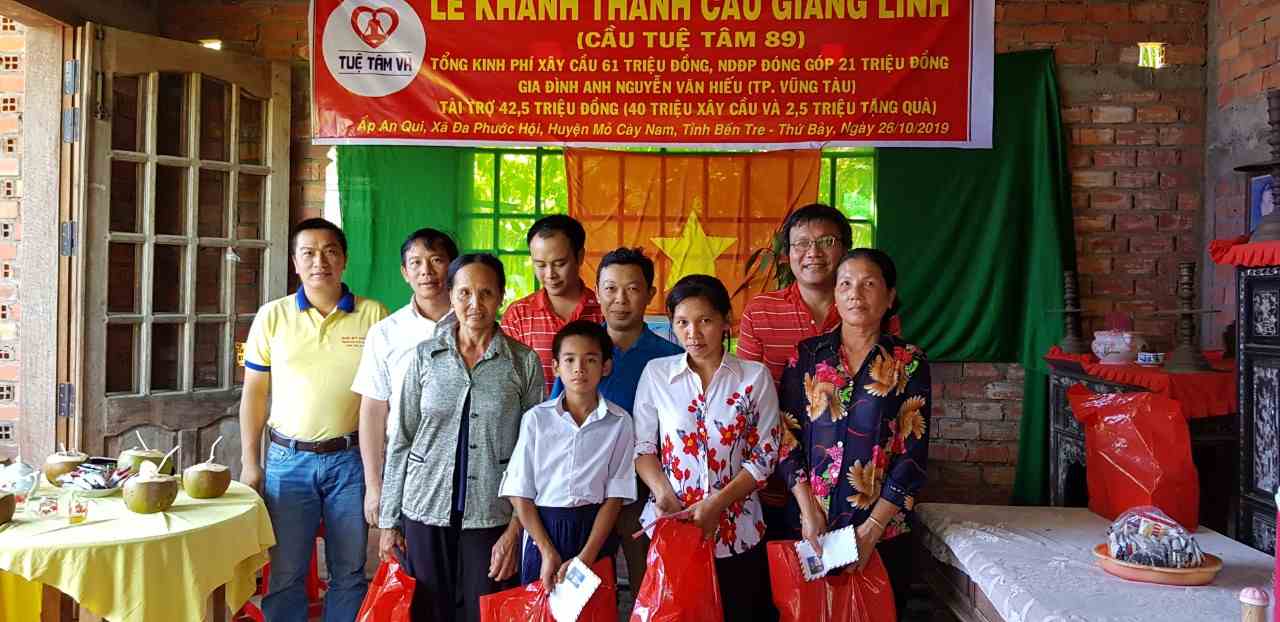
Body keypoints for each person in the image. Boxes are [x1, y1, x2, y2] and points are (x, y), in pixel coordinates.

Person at [379, 253, 544, 622]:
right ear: (451, 295)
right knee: (427, 611)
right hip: (424, 507)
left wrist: (516, 530)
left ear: (501, 296)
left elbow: (533, 453)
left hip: (493, 512)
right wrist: (389, 521)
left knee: (484, 611)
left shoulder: (523, 362)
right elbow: (401, 438)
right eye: (465, 292)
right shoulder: (426, 356)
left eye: (486, 293)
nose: (475, 303)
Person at [238, 218, 389, 621]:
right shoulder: (272, 316)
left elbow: (385, 397)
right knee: (285, 572)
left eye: (330, 252)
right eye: (308, 253)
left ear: (344, 260)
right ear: (295, 262)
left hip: (351, 460)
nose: (319, 261)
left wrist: (379, 471)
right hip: (288, 462)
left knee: (350, 571)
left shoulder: (373, 314)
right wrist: (251, 462)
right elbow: (254, 394)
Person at [778, 248, 931, 611]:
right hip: (812, 528)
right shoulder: (807, 356)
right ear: (835, 294)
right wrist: (808, 511)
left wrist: (871, 530)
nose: (855, 294)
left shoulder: (908, 362)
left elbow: (913, 455)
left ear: (889, 296)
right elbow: (786, 436)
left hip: (883, 532)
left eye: (868, 284)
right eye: (845, 284)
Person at [632, 274, 781, 622]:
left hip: (738, 530)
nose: (693, 334)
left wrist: (716, 504)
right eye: (682, 322)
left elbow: (765, 455)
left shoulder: (754, 377)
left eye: (705, 321)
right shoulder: (656, 374)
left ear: (726, 320)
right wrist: (665, 497)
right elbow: (643, 448)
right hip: (673, 526)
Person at [548, 247, 682, 591]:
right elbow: (555, 423)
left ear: (650, 294)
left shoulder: (671, 358)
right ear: (597, 291)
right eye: (610, 288)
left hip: (646, 493)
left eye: (632, 289)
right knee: (584, 587)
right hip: (585, 493)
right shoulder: (579, 351)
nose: (620, 299)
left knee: (647, 585)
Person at [737, 203, 853, 542]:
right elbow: (749, 401)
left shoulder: (864, 308)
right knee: (780, 569)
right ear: (787, 254)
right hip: (775, 476)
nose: (813, 252)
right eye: (802, 243)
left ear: (845, 249)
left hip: (851, 477)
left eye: (826, 241)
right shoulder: (761, 311)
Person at [500, 320, 636, 589]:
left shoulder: (620, 422)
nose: (579, 369)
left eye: (590, 360)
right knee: (542, 605)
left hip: (595, 533)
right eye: (570, 359)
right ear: (556, 367)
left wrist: (587, 556)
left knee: (594, 607)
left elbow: (615, 496)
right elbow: (519, 491)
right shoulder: (536, 419)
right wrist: (546, 550)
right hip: (543, 530)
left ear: (606, 366)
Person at [352, 228, 458, 534]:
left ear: (453, 267)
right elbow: (373, 411)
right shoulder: (386, 332)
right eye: (416, 263)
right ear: (404, 272)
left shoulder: (475, 325)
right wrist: (375, 487)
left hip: (468, 467)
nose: (426, 271)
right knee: (411, 557)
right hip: (408, 468)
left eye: (436, 260)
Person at [501, 214, 604, 395]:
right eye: (540, 265)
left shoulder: (603, 310)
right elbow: (507, 381)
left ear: (580, 256)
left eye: (560, 264)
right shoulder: (518, 316)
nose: (550, 274)